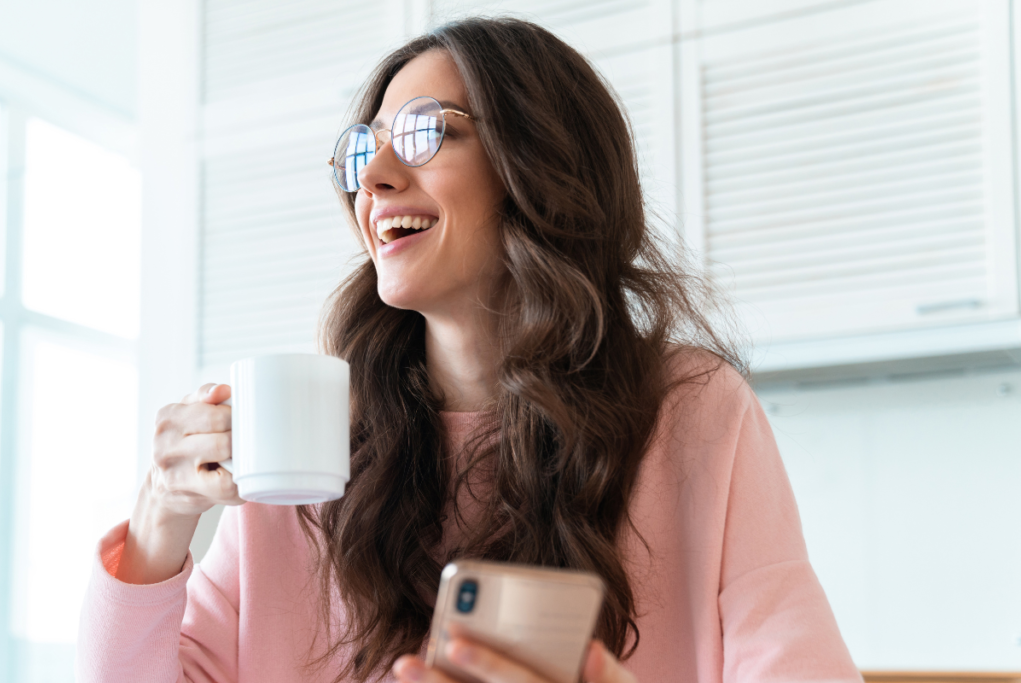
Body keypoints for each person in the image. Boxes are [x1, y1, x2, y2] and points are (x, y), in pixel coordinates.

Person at [77, 17, 862, 683]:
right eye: (363, 149)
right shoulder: (313, 440)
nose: (373, 179)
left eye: (423, 133)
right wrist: (159, 521)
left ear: (539, 166)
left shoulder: (692, 414)